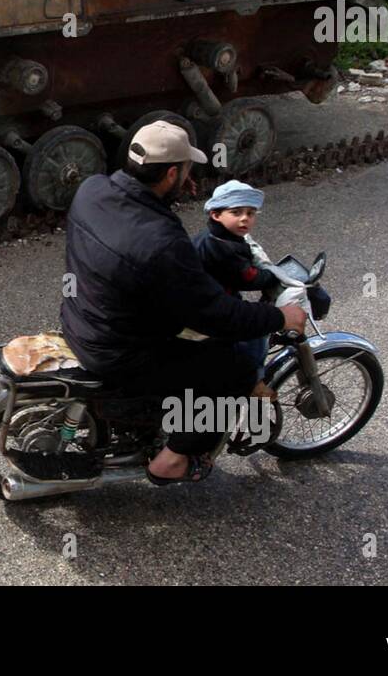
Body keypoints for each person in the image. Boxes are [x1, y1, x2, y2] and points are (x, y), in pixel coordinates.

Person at [59, 121, 306, 484]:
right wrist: (278, 316)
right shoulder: (162, 240)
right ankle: (172, 460)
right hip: (118, 349)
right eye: (187, 169)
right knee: (233, 368)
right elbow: (216, 316)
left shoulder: (91, 189)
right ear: (172, 172)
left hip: (81, 317)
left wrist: (166, 196)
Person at [192, 180, 276, 382]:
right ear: (216, 214)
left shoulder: (212, 237)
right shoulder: (224, 248)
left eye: (250, 213)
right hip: (210, 310)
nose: (244, 219)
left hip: (204, 299)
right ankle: (252, 378)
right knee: (257, 331)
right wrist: (272, 275)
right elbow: (249, 278)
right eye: (236, 212)